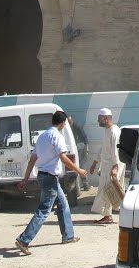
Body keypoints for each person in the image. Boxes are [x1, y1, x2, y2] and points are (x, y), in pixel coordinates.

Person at [14, 109, 88, 255]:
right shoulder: (57, 136)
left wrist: (26, 178)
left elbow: (32, 159)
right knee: (44, 210)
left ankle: (68, 236)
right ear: (63, 123)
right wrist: (78, 170)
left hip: (43, 176)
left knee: (63, 204)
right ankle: (24, 240)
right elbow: (64, 157)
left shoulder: (42, 137)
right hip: (50, 177)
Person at [89, 108, 124, 225]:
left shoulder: (114, 131)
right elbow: (103, 149)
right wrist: (95, 162)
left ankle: (109, 216)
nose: (98, 121)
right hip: (107, 165)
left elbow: (115, 150)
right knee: (107, 190)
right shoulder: (108, 131)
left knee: (109, 190)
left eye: (100, 119)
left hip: (113, 165)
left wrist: (115, 166)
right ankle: (108, 216)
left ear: (106, 118)